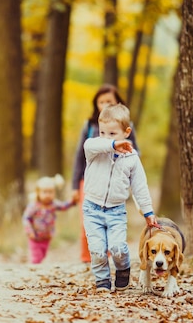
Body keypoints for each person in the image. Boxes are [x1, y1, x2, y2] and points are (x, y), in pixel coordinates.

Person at [82, 103, 158, 292]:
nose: (106, 137)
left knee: (117, 248)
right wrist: (112, 143)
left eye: (112, 133)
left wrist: (148, 211)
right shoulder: (94, 149)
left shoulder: (131, 159)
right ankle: (102, 281)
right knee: (98, 249)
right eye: (102, 132)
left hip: (116, 211)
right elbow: (90, 143)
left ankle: (123, 269)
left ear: (127, 132)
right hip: (92, 209)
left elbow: (139, 187)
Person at [71, 84, 139, 263]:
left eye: (109, 101)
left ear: (117, 102)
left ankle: (109, 255)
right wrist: (74, 185)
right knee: (87, 220)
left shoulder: (126, 126)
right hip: (89, 180)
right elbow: (80, 155)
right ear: (96, 104)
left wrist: (132, 178)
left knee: (112, 221)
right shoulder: (91, 125)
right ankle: (89, 258)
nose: (105, 105)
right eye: (101, 102)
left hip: (115, 181)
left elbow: (135, 154)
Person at [22, 175, 76, 264]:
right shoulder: (34, 205)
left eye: (50, 192)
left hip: (47, 236)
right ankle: (34, 271)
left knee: (43, 255)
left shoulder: (53, 204)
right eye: (45, 192)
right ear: (38, 193)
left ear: (54, 193)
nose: (48, 195)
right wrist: (29, 231)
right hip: (35, 236)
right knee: (36, 258)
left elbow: (63, 206)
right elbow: (26, 218)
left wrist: (72, 202)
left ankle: (36, 266)